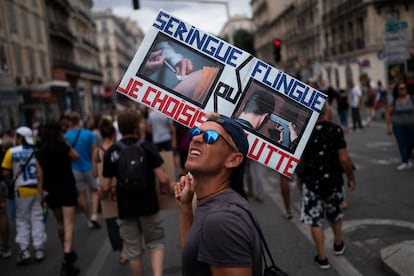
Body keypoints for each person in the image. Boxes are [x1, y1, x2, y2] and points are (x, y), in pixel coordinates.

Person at [174, 113, 262, 275]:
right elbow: (193, 258)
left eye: (211, 137)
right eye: (195, 132)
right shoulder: (214, 204)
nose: (196, 139)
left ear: (233, 160)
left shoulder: (222, 221)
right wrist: (185, 208)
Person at [100, 108, 170, 276]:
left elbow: (104, 187)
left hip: (125, 208)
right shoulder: (147, 147)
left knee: (133, 251)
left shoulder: (112, 152)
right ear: (137, 126)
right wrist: (168, 190)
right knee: (155, 243)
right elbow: (162, 179)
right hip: (149, 205)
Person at [297, 104, 356, 270]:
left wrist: (300, 179)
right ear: (326, 111)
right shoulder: (335, 129)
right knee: (335, 213)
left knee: (315, 219)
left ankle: (322, 257)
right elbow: (344, 159)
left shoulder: (303, 132)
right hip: (334, 181)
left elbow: (298, 161)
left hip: (311, 182)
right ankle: (338, 245)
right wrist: (351, 177)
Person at [35, 121, 80, 275]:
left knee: (60, 222)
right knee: (69, 224)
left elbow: (39, 176)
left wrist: (40, 196)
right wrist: (65, 141)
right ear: (59, 133)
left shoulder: (40, 152)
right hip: (67, 188)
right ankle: (68, 256)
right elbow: (76, 157)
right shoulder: (63, 147)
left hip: (51, 191)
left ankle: (66, 248)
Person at [2, 126, 47, 264]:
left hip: (21, 190)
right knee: (37, 218)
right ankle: (38, 249)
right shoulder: (37, 151)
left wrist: (10, 185)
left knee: (22, 220)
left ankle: (24, 250)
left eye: (16, 136)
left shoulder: (11, 152)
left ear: (20, 137)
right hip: (37, 189)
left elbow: (5, 173)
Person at [92, 118, 127, 265]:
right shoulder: (119, 148)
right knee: (126, 218)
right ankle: (131, 245)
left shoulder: (97, 152)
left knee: (112, 222)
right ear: (114, 134)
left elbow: (94, 173)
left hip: (105, 189)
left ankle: (121, 253)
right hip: (121, 187)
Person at [236, 90, 275, 202]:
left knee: (245, 169)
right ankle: (257, 193)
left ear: (244, 106)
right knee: (256, 171)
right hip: (255, 146)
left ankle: (249, 190)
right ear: (265, 117)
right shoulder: (259, 131)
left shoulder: (231, 125)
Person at [65, 112, 101, 229]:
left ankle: (89, 219)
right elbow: (94, 152)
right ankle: (95, 214)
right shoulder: (89, 134)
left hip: (75, 169)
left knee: (82, 195)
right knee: (94, 191)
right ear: (79, 121)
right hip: (90, 167)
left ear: (70, 122)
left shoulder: (66, 136)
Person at [386, 81, 414, 171]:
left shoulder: (412, 98)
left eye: (404, 88)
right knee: (402, 144)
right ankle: (404, 161)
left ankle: (408, 159)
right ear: (397, 90)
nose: (403, 90)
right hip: (398, 126)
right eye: (400, 89)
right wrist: (389, 127)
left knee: (411, 143)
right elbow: (388, 114)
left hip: (411, 126)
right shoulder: (394, 100)